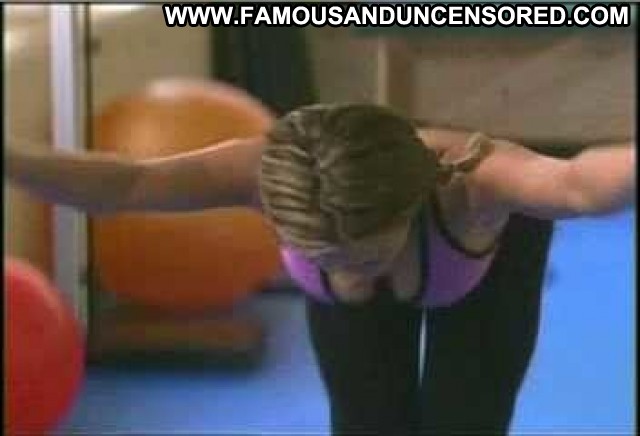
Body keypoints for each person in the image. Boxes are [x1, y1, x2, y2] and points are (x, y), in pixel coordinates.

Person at [6, 103, 635, 435]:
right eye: (325, 255)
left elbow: (579, 184)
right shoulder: (263, 175)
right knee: (365, 424)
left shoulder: (475, 184)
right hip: (390, 241)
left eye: (366, 254)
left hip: (474, 261)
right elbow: (125, 184)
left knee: (466, 423)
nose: (352, 269)